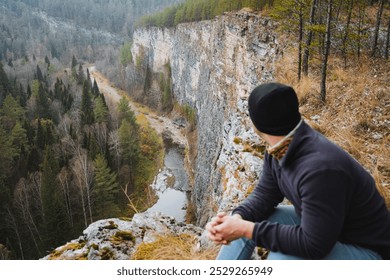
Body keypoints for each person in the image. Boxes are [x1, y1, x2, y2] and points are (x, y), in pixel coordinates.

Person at [206, 82, 390, 260]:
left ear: (258, 125)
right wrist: (237, 219)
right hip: (330, 229)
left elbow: (313, 245)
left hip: (367, 251)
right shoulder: (280, 147)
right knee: (255, 220)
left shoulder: (320, 170)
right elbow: (265, 194)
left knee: (282, 258)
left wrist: (245, 229)